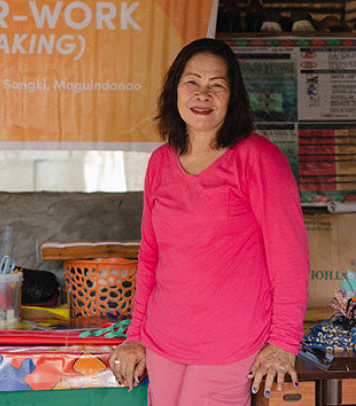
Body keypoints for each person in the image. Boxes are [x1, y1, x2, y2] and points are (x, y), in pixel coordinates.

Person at [109, 38, 310, 404]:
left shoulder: (258, 158)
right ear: (175, 90)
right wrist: (135, 335)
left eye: (217, 85)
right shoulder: (160, 162)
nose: (203, 94)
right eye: (192, 82)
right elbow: (151, 256)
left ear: (233, 97)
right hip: (164, 340)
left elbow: (289, 257)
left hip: (230, 344)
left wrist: (284, 342)